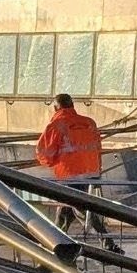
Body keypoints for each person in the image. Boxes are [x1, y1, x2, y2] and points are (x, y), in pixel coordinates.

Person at [36, 94, 105, 231]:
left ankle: (104, 237)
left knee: (79, 207)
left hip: (69, 175)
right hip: (92, 172)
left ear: (56, 108)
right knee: (67, 208)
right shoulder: (89, 122)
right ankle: (57, 238)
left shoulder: (56, 125)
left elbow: (44, 154)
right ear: (72, 105)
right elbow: (98, 147)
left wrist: (51, 161)